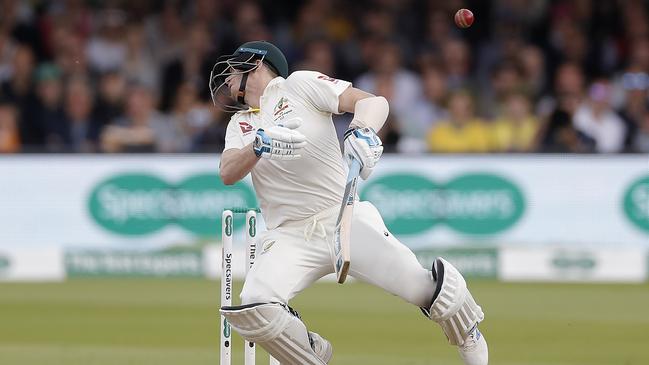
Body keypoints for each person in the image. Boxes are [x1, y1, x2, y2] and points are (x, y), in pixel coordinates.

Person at [211, 41, 488, 365]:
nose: (228, 79)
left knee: (422, 289)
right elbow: (227, 173)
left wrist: (362, 131)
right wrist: (258, 145)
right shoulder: (240, 124)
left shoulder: (299, 85)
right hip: (288, 235)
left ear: (255, 65)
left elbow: (374, 102)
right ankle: (311, 349)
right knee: (255, 306)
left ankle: (470, 334)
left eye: (233, 70)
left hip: (341, 217)